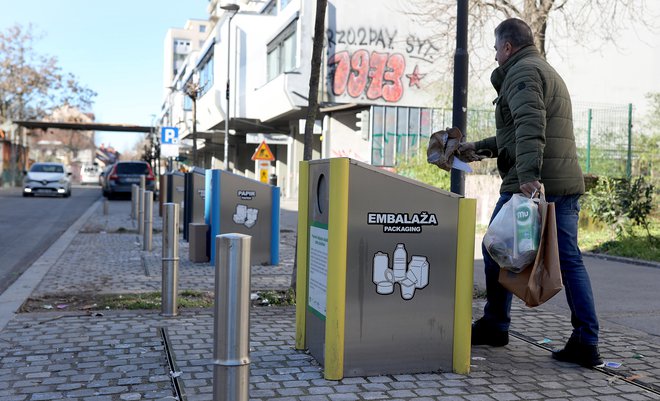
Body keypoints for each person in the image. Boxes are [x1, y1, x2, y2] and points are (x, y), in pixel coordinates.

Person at [458, 18, 602, 368]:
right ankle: (586, 340)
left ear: (508, 47)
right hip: (561, 182)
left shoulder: (521, 73)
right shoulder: (541, 69)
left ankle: (496, 324)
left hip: (534, 184)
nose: (494, 56)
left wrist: (528, 177)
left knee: (494, 246)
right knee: (568, 260)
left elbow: (530, 126)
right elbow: (516, 133)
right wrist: (477, 148)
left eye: (495, 49)